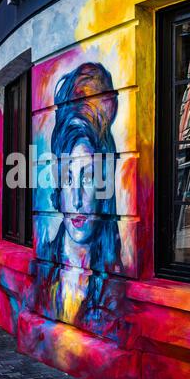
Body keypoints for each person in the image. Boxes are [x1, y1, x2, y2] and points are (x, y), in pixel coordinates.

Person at [38, 62, 123, 275]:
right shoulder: (45, 266)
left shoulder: (117, 278)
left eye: (87, 179)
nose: (76, 200)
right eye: (68, 180)